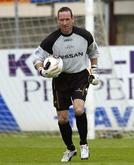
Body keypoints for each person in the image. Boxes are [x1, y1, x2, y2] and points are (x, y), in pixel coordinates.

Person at [32, 6, 100, 162]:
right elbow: (37, 59)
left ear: (73, 19)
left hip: (80, 76)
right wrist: (42, 70)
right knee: (62, 119)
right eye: (61, 20)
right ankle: (70, 149)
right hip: (60, 80)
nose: (64, 22)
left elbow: (93, 53)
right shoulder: (51, 40)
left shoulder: (84, 35)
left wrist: (94, 69)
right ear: (57, 21)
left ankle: (84, 144)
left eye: (67, 19)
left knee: (78, 109)